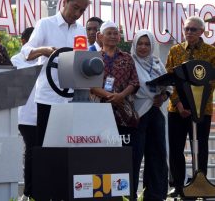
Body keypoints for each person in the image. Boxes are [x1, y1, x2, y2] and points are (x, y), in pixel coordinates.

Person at [21, 0, 90, 146]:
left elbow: (82, 61)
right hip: (48, 97)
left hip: (73, 98)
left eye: (82, 10)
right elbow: (26, 51)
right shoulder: (45, 24)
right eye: (75, 7)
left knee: (69, 147)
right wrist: (43, 50)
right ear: (65, 1)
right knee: (46, 147)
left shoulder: (81, 30)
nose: (77, 14)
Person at [166, 16, 215, 197]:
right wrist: (178, 104)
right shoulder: (175, 51)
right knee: (176, 148)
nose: (189, 33)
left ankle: (200, 185)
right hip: (177, 109)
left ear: (202, 32)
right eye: (186, 29)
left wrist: (198, 103)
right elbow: (169, 79)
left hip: (202, 108)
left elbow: (212, 81)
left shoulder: (211, 52)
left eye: (193, 29)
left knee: (201, 148)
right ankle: (178, 186)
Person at [131, 29, 170, 201]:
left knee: (157, 155)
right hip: (137, 114)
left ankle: (155, 195)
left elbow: (169, 86)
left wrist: (162, 97)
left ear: (152, 46)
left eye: (147, 44)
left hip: (156, 113)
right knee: (134, 155)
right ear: (134, 44)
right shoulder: (129, 61)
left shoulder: (156, 62)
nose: (143, 47)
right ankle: (128, 194)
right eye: (140, 43)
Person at [90, 20, 139, 143]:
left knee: (125, 152)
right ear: (100, 36)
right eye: (109, 33)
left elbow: (134, 82)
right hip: (99, 112)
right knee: (103, 152)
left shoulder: (127, 58)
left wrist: (121, 95)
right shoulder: (92, 58)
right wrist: (111, 96)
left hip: (124, 112)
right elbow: (89, 84)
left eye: (115, 33)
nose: (113, 36)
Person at [11, 27, 37, 201]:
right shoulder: (15, 60)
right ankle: (28, 193)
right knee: (31, 153)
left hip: (47, 112)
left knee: (44, 153)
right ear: (23, 42)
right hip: (26, 115)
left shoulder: (47, 58)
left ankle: (41, 190)